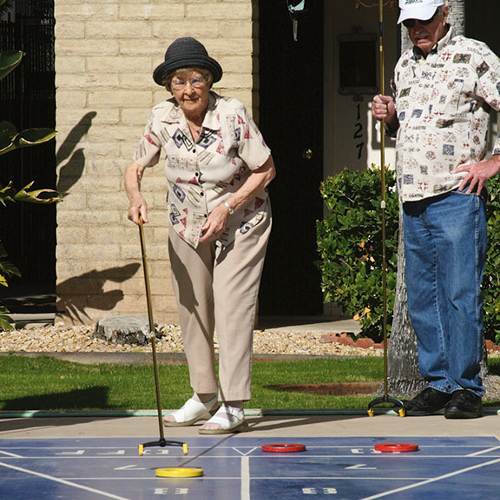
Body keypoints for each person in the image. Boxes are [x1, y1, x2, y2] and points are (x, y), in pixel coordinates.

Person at [125, 37, 275, 433]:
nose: (188, 89)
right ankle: (204, 396)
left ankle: (235, 403)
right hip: (185, 223)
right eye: (179, 81)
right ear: (169, 86)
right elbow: (135, 165)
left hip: (241, 220)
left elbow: (265, 170)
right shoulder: (162, 117)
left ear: (209, 81)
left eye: (196, 79)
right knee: (191, 310)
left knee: (231, 308)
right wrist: (135, 196)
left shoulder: (231, 114)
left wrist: (227, 207)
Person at [372, 0, 500, 418]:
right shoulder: (404, 65)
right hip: (412, 196)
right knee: (424, 298)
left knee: (460, 293)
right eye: (409, 22)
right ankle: (439, 383)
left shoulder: (475, 56)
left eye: (424, 20)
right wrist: (391, 117)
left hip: (457, 194)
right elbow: (411, 127)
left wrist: (493, 163)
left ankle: (466, 387)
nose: (417, 29)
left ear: (444, 14)